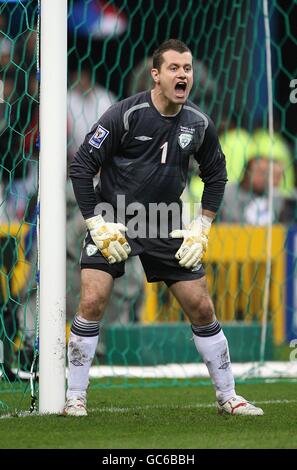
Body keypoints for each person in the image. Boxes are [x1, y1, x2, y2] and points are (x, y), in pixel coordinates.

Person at [64, 39, 263, 417]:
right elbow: (82, 166)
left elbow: (217, 176)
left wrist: (202, 227)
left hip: (165, 222)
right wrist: (96, 222)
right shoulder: (124, 114)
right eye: (173, 68)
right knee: (91, 300)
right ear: (156, 75)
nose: (182, 74)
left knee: (201, 306)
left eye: (186, 68)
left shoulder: (199, 123)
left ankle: (228, 396)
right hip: (114, 216)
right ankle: (75, 394)